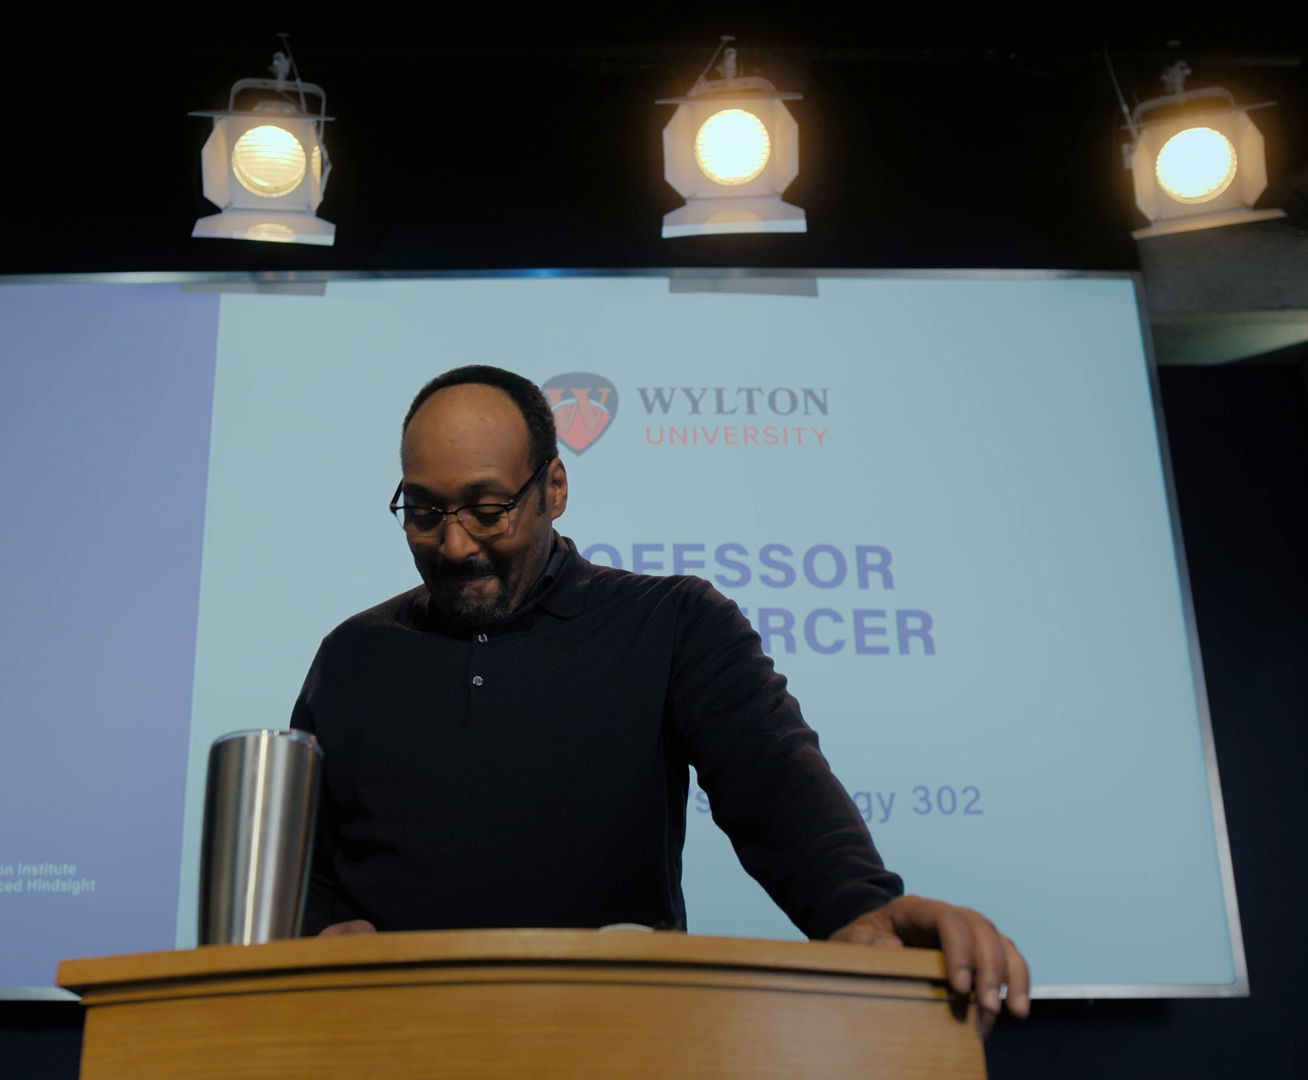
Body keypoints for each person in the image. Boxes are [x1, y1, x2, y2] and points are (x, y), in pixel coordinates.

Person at [290, 364, 1029, 1033]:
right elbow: (304, 874)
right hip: (384, 1045)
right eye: (424, 512)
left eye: (488, 509)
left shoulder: (673, 622)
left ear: (554, 488)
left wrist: (862, 908)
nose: (455, 546)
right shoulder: (351, 655)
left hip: (619, 1044)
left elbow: (772, 780)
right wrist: (314, 936)